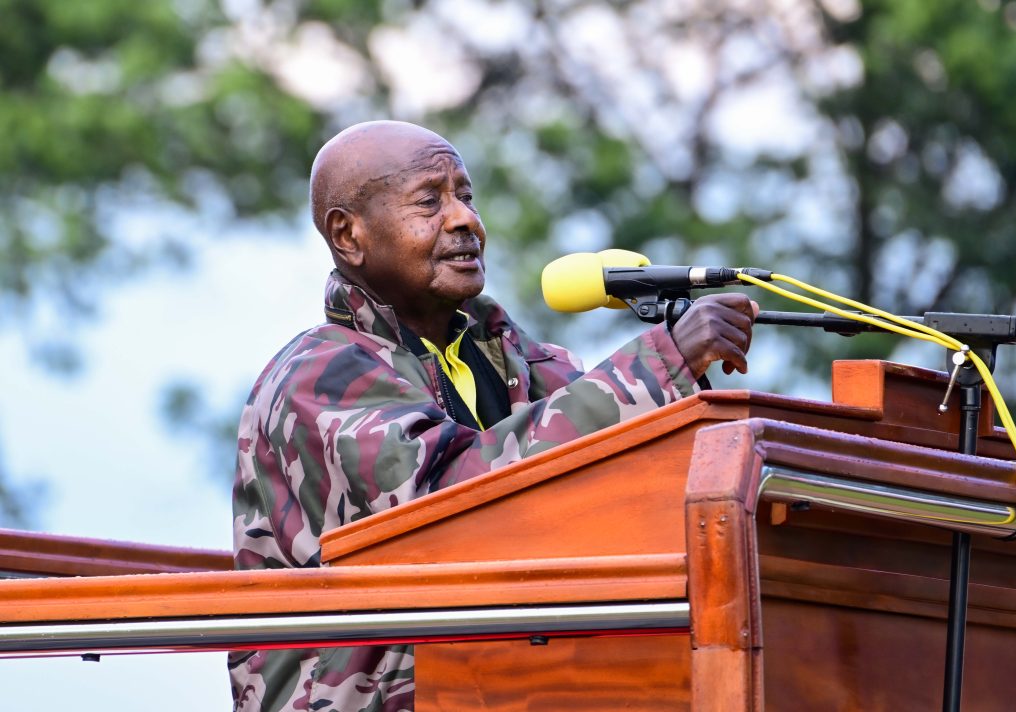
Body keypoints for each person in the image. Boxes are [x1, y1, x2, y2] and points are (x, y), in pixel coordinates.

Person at [229, 120, 758, 712]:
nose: (465, 220)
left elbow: (627, 470)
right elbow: (453, 502)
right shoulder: (318, 376)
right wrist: (661, 360)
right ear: (348, 235)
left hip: (515, 685)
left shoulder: (521, 360)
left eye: (466, 196)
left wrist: (689, 391)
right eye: (430, 201)